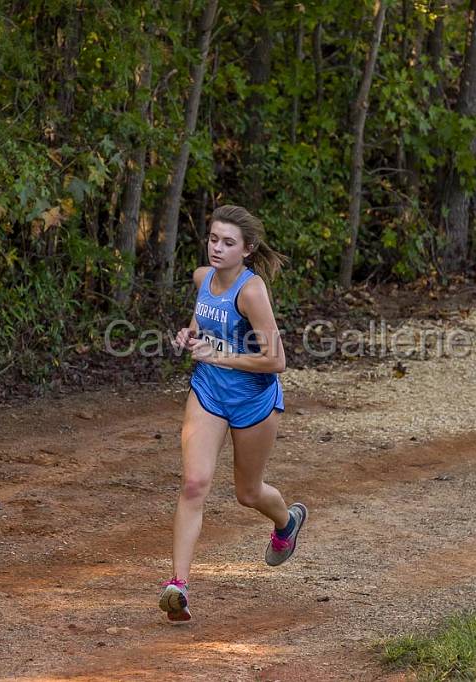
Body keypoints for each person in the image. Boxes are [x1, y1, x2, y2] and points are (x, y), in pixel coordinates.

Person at [160, 205, 307, 622]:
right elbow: (204, 311)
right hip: (208, 391)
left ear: (247, 249)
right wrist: (190, 332)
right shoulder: (202, 278)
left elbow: (276, 360)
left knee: (248, 493)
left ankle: (286, 523)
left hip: (254, 401)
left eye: (228, 243)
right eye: (213, 239)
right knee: (193, 484)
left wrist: (220, 354)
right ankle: (178, 586)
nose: (217, 248)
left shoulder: (251, 291)